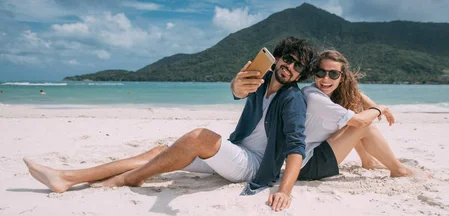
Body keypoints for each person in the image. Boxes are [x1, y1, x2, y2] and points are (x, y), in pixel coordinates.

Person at [23, 36, 318, 212]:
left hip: (252, 166)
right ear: (277, 57)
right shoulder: (262, 78)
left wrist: (286, 191)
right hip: (235, 153)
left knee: (199, 136)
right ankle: (68, 177)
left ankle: (127, 179)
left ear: (300, 74)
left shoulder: (292, 100)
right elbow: (237, 90)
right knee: (158, 151)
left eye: (297, 67)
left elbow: (296, 146)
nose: (290, 68)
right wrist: (235, 87)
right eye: (288, 59)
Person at [297, 50, 425, 181]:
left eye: (333, 74)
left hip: (307, 161)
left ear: (342, 77)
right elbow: (360, 122)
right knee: (363, 125)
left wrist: (371, 105)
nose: (325, 78)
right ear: (314, 74)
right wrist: (380, 108)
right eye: (321, 72)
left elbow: (356, 96)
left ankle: (368, 161)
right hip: (309, 166)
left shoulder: (320, 94)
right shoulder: (314, 98)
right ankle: (399, 169)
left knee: (353, 115)